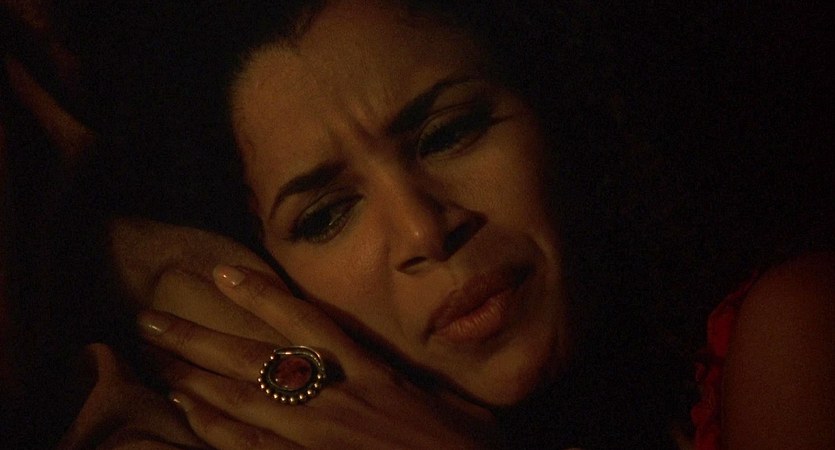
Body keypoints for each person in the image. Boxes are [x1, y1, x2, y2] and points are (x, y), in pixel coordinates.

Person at [3, 0, 833, 448]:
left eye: (449, 133)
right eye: (327, 214)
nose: (423, 231)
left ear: (560, 109)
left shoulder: (794, 325)